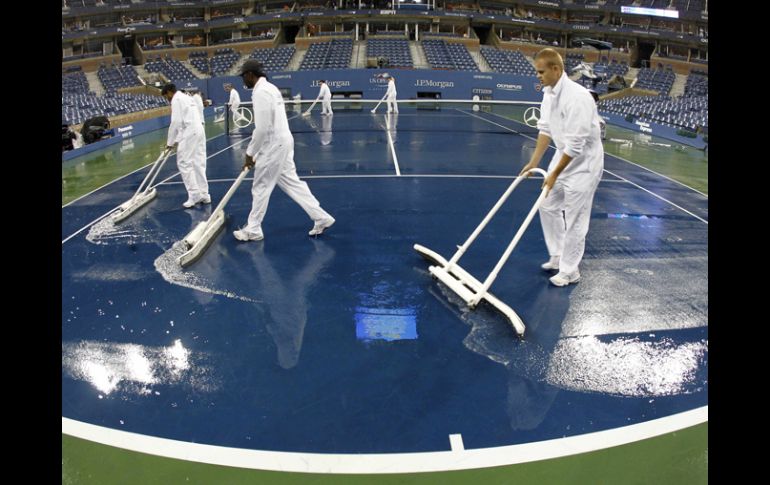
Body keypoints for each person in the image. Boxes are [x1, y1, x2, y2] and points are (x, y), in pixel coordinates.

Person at [518, 48, 604, 287]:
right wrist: (535, 162)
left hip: (584, 163)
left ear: (556, 69)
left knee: (575, 217)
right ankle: (557, 255)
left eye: (541, 71)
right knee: (546, 204)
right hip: (562, 154)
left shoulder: (578, 97)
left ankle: (570, 271)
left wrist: (554, 173)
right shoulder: (548, 93)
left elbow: (577, 144)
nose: (538, 76)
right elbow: (545, 129)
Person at [233, 59, 335, 242]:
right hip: (283, 142)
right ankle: (322, 217)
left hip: (274, 146)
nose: (243, 81)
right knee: (293, 184)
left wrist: (250, 153)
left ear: (250, 74)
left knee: (261, 187)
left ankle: (254, 229)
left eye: (243, 76)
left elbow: (262, 128)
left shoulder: (261, 92)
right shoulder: (271, 88)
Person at [161, 83, 210, 208]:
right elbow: (184, 121)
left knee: (184, 162)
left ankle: (194, 195)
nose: (167, 99)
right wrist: (176, 140)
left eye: (166, 96)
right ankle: (204, 194)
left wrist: (169, 143)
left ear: (170, 92)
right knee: (198, 162)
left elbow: (176, 122)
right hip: (199, 130)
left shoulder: (176, 99)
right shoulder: (187, 97)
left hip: (190, 131)